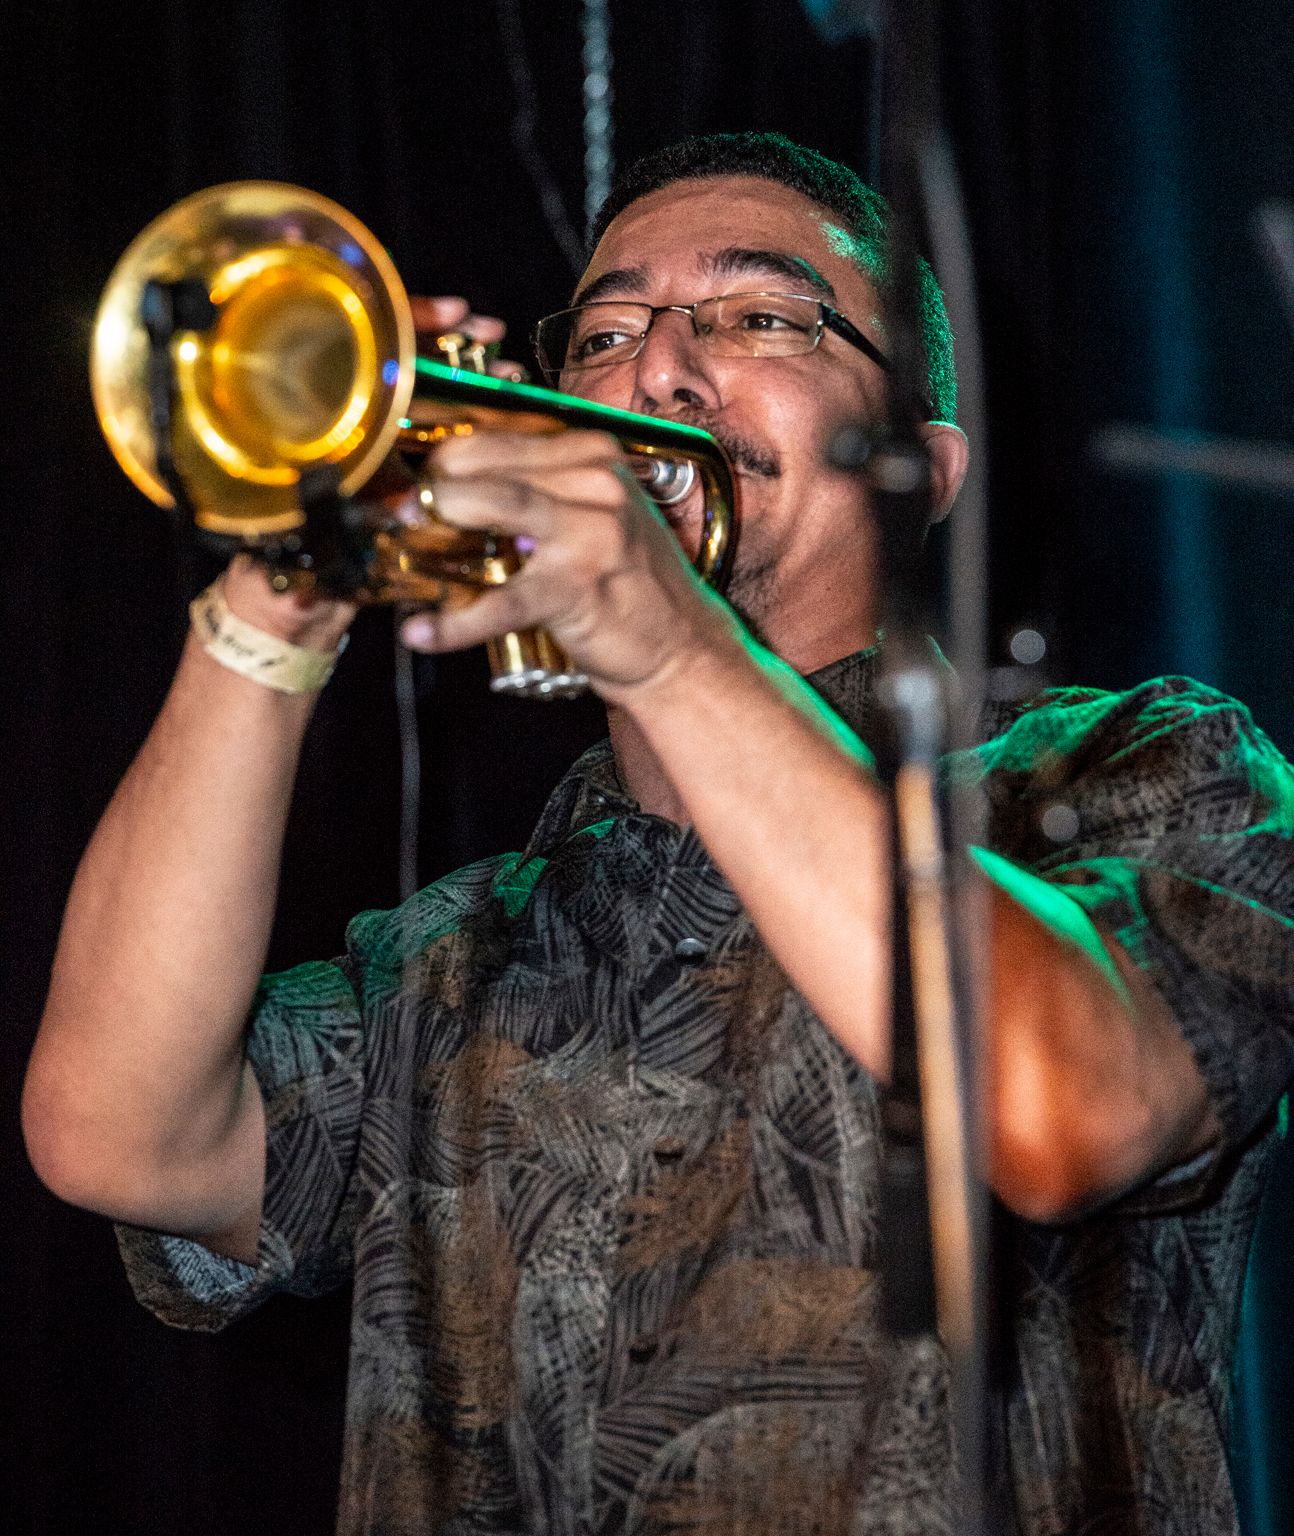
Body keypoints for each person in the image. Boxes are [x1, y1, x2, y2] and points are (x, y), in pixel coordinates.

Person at [23, 132, 1294, 1535]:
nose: (662, 372)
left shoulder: (1141, 770)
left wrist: (671, 647)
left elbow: (1061, 1115)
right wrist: (280, 590)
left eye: (761, 318)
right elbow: (115, 1134)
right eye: (606, 334)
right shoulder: (453, 955)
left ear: (921, 472)